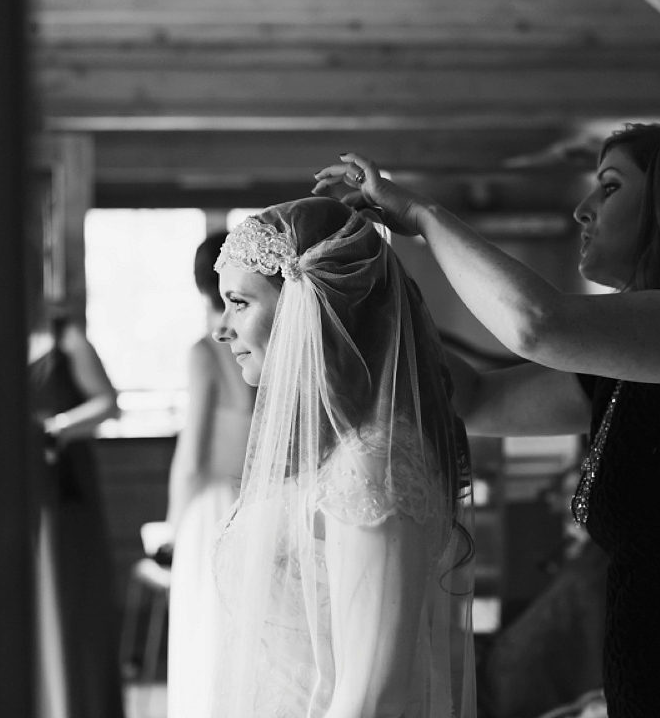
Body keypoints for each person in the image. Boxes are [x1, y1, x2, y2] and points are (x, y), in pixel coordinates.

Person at [313, 124, 660, 717]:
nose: (582, 210)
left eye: (609, 187)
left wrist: (422, 216)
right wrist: (357, 287)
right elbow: (467, 398)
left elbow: (537, 325)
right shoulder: (631, 362)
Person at [209, 197, 476, 718]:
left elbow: (373, 697)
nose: (222, 328)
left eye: (239, 303)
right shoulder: (328, 451)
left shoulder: (372, 464)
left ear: (302, 305)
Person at [165, 232, 256, 718]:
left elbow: (193, 456)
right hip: (259, 500)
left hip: (213, 510)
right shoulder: (264, 347)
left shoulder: (205, 351)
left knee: (204, 637)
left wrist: (174, 524)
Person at [29, 305, 125, 718]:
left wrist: (57, 428)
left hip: (65, 491)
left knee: (69, 603)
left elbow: (108, 403)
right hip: (18, 488)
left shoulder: (65, 337)